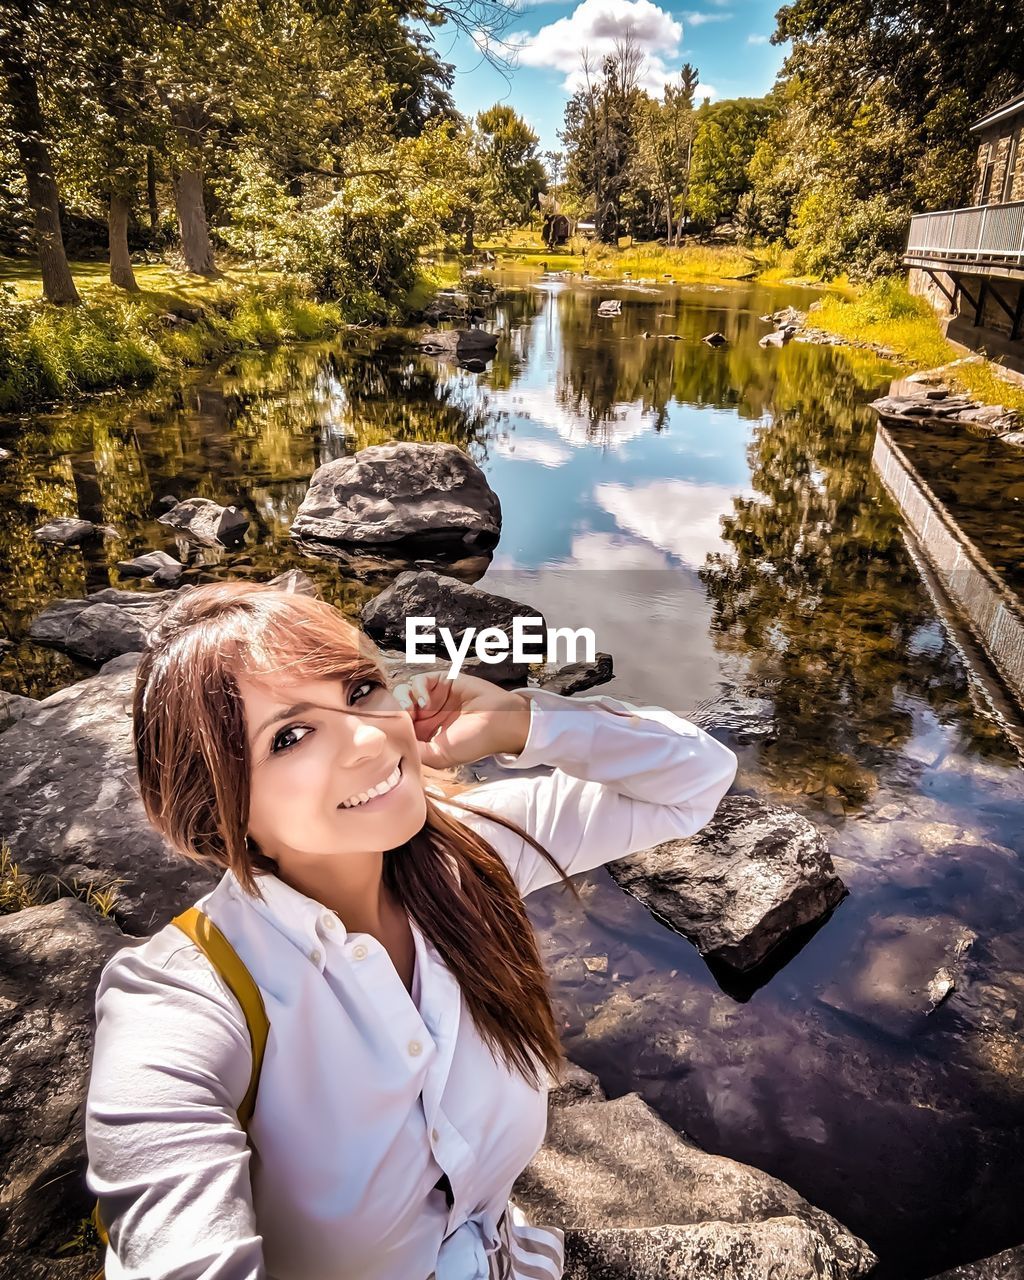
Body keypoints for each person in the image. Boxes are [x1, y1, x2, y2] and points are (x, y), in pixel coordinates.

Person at [85, 581, 738, 1280]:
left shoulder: (469, 852)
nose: (370, 738)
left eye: (362, 689)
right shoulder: (181, 1000)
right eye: (291, 735)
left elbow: (696, 779)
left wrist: (523, 721)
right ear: (218, 809)